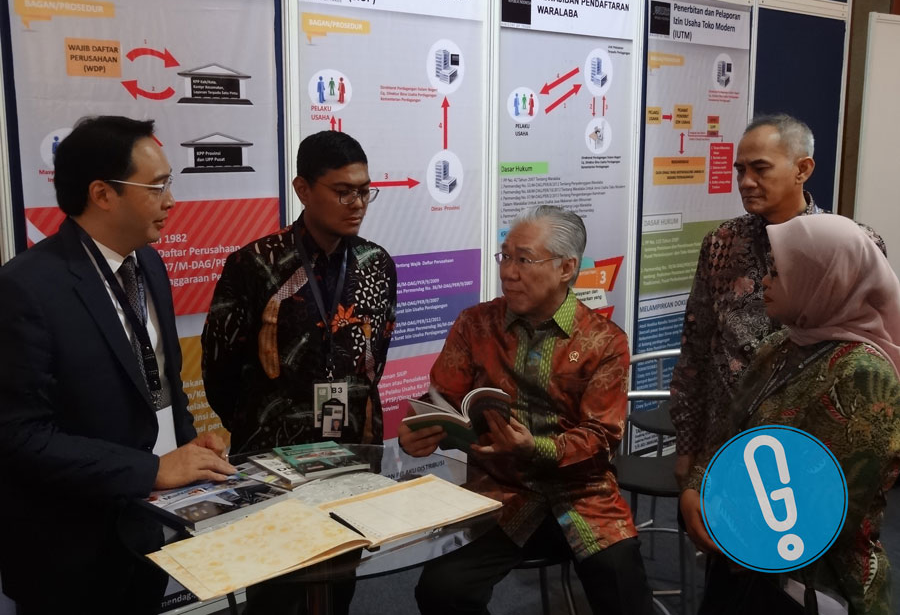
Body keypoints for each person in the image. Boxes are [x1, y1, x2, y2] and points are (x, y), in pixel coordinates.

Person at [0, 116, 234, 615]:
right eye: (156, 187)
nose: (171, 201)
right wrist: (152, 469)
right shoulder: (27, 288)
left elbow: (161, 381)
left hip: (151, 527)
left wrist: (187, 449)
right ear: (102, 194)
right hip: (72, 551)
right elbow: (20, 436)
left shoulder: (148, 264)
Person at [400, 205, 653, 615]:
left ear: (566, 268)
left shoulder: (605, 341)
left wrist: (535, 447)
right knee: (441, 589)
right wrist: (420, 427)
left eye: (524, 260)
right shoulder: (475, 324)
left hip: (583, 494)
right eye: (505, 257)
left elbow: (601, 438)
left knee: (624, 589)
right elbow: (442, 397)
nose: (508, 272)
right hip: (501, 492)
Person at [202, 129, 396, 615]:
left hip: (353, 445)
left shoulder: (376, 264)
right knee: (275, 585)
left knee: (341, 573)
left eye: (364, 190)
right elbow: (219, 367)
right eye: (343, 191)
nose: (357, 203)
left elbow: (375, 356)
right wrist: (262, 418)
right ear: (303, 189)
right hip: (273, 450)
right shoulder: (255, 264)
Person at [680, 213, 900, 614]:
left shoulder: (863, 373)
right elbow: (734, 429)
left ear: (823, 282)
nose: (765, 281)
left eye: (779, 273)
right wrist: (698, 486)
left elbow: (830, 506)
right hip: (743, 557)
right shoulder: (782, 345)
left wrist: (730, 525)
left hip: (814, 583)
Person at [669, 114, 885, 482]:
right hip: (723, 444)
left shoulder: (849, 247)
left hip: (809, 453)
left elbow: (865, 348)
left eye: (760, 168)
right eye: (740, 170)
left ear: (802, 169)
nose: (746, 182)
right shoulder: (723, 244)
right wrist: (687, 448)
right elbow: (696, 349)